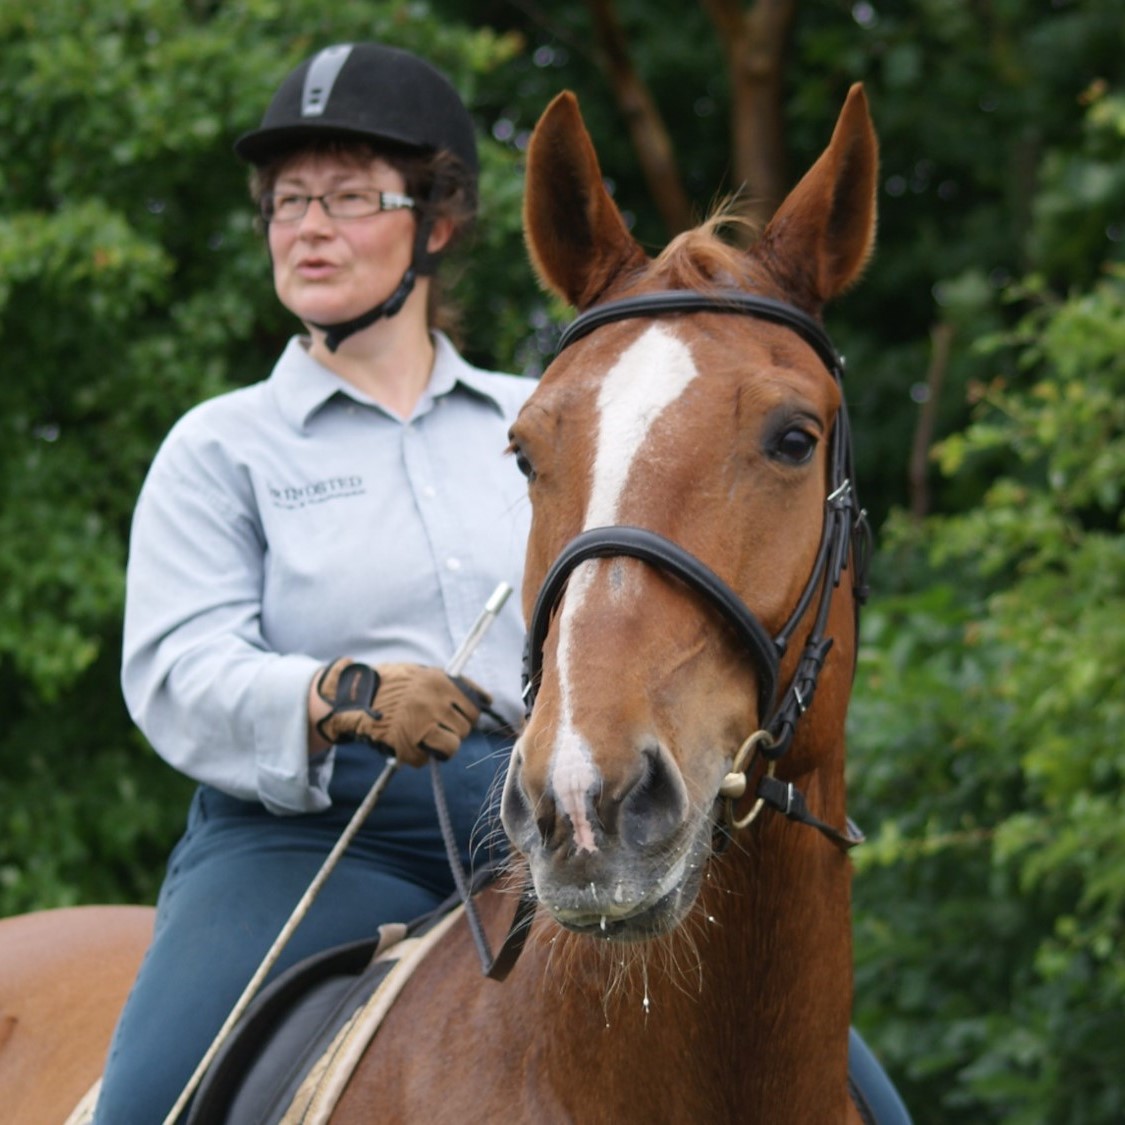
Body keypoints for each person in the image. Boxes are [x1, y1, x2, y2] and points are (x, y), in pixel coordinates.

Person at [94, 41, 532, 1124]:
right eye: (287, 201)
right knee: (152, 1103)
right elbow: (177, 667)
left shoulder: (542, 422)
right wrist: (346, 694)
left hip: (540, 824)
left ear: (437, 222)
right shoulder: (221, 446)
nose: (306, 226)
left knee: (823, 1066)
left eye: (347, 196)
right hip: (313, 834)